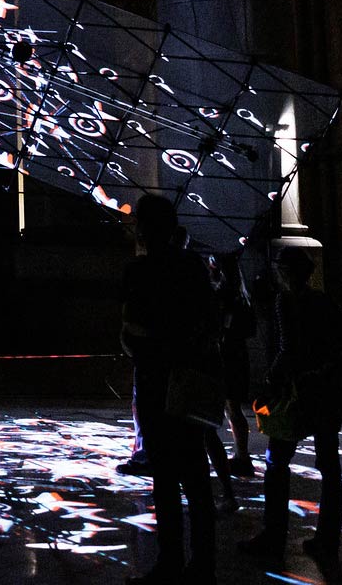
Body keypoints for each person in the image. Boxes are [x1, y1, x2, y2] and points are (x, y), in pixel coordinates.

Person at [239, 244, 342, 562]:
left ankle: (274, 535)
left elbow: (286, 348)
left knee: (276, 461)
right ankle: (327, 540)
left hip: (298, 391)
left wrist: (269, 381)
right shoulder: (322, 300)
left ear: (284, 273)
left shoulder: (286, 301)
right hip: (327, 390)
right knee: (329, 466)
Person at [121, 196, 217, 585]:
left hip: (156, 381)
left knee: (165, 477)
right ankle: (203, 566)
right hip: (190, 378)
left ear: (144, 229)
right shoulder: (192, 267)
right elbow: (209, 321)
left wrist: (151, 346)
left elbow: (130, 333)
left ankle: (170, 562)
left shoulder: (138, 272)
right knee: (196, 477)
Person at [201, 250, 258, 512]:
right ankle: (241, 455)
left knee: (220, 410)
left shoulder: (223, 295)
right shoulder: (243, 295)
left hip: (224, 356)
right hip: (239, 355)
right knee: (234, 407)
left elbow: (218, 326)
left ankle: (236, 459)